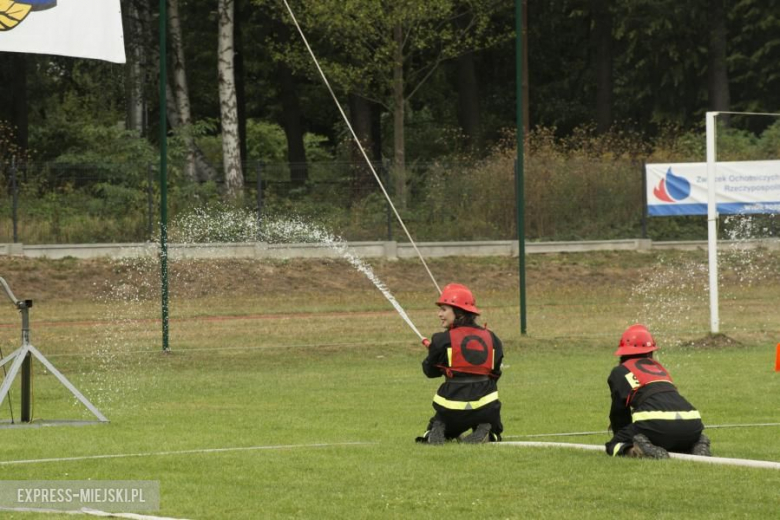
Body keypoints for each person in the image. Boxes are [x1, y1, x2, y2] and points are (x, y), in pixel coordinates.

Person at [605, 324, 712, 459]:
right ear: (651, 352)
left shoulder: (620, 371)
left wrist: (624, 436)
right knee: (670, 437)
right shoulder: (659, 368)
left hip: (655, 422)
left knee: (614, 445)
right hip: (692, 422)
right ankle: (697, 443)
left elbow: (619, 413)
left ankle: (637, 450)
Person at [415, 283, 504, 445]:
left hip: (451, 406)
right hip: (485, 404)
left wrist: (434, 354)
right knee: (494, 429)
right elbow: (495, 372)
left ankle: (438, 428)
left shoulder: (441, 339)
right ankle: (488, 432)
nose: (439, 314)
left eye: (444, 310)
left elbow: (430, 372)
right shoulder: (492, 338)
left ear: (459, 312)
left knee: (438, 425)